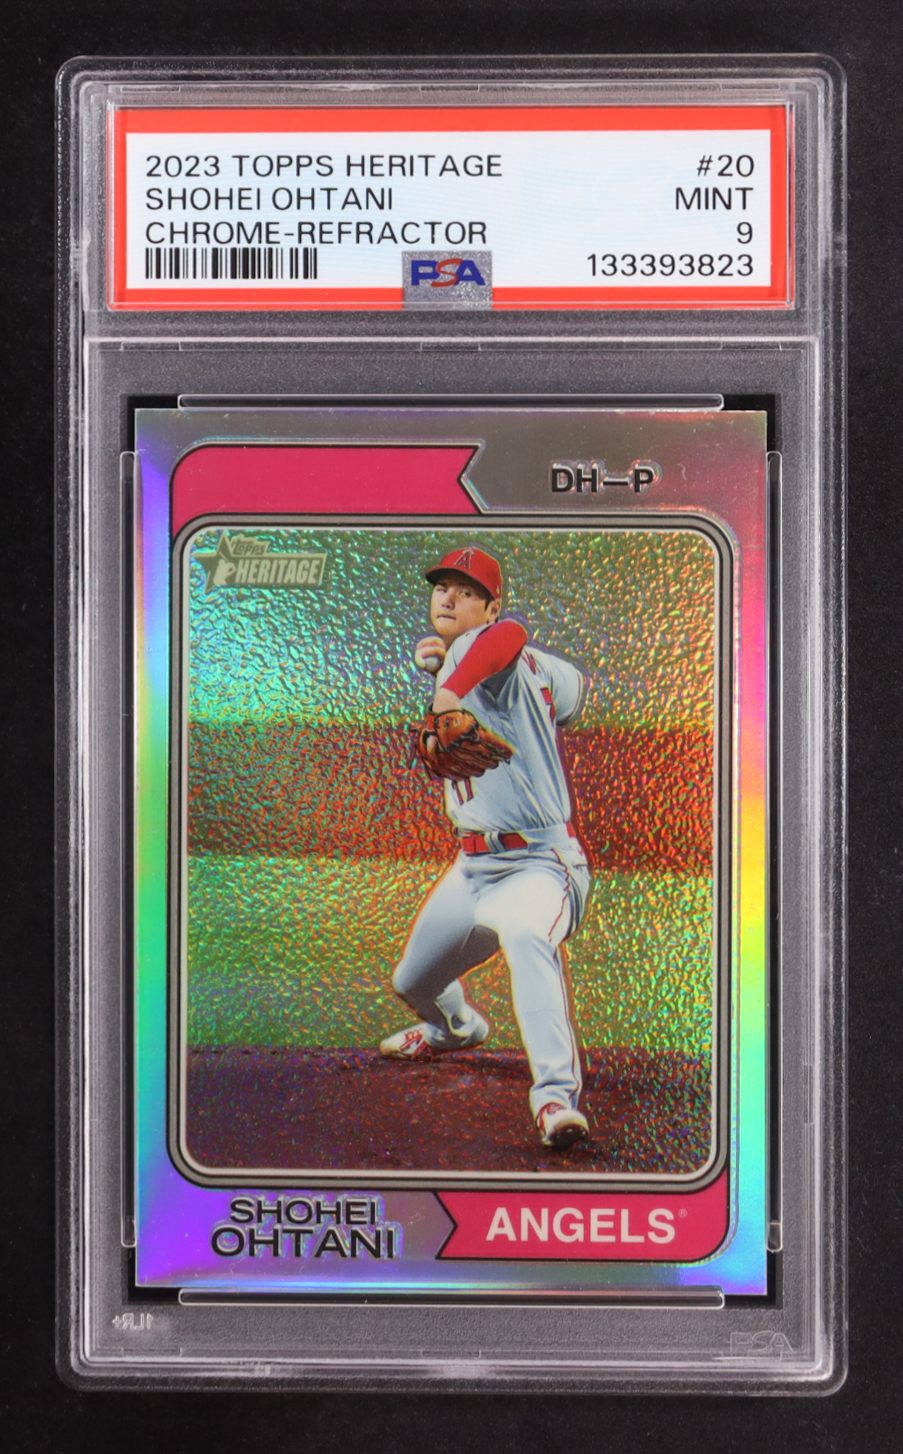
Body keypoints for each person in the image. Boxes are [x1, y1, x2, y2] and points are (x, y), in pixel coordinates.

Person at [380, 545, 593, 1149]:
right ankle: (456, 1030)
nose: (448, 597)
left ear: (490, 607)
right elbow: (572, 694)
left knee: (526, 936)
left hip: (539, 865)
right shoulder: (496, 662)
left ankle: (555, 1098)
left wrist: (449, 686)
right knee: (413, 983)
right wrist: (444, 665)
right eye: (441, 587)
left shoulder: (494, 648)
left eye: (466, 591)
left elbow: (510, 636)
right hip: (472, 869)